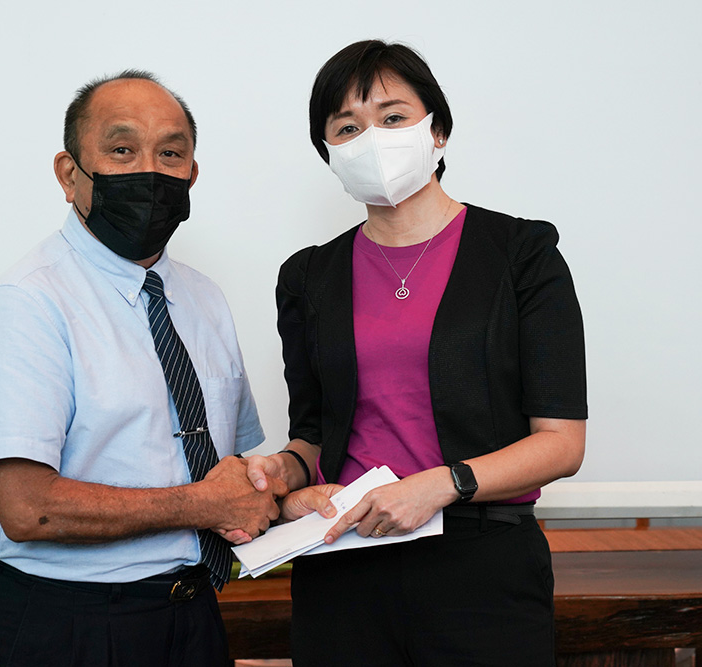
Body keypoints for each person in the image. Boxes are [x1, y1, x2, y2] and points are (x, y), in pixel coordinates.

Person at [252, 40, 588, 666]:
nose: (370, 138)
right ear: (328, 153)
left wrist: (441, 485)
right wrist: (282, 476)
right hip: (341, 565)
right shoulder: (308, 277)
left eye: (393, 116)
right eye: (346, 127)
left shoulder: (522, 255)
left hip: (482, 567)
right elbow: (314, 437)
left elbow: (562, 444)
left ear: (438, 130)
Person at [0, 70, 285, 667]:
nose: (150, 171)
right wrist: (206, 505)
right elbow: (30, 507)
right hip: (64, 624)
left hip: (193, 613)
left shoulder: (202, 298)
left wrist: (292, 494)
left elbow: (227, 474)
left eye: (170, 153)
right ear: (68, 174)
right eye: (121, 149)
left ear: (192, 173)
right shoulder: (27, 302)